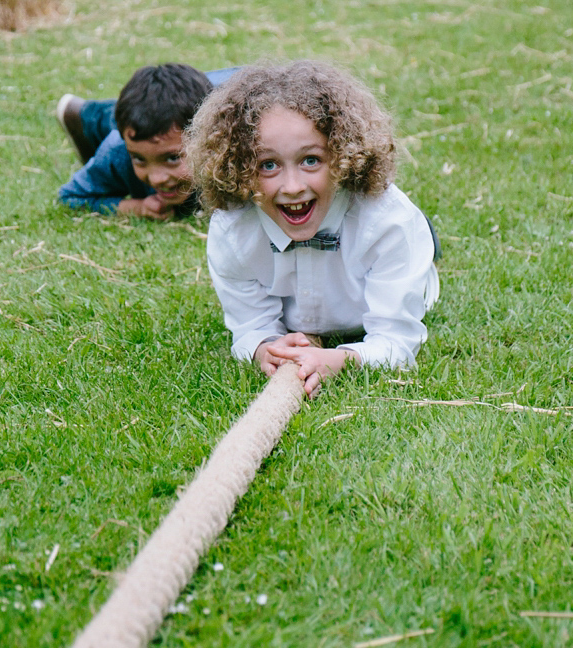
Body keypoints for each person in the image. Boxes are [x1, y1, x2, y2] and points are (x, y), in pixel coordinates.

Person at [185, 60, 441, 398]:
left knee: (416, 232)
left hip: (399, 246)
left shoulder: (388, 224)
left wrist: (343, 359)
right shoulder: (232, 231)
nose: (292, 186)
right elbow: (250, 328)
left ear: (343, 155)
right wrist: (266, 347)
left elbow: (397, 341)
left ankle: (430, 240)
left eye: (310, 160)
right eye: (268, 165)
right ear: (239, 168)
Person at [55, 64, 239, 220]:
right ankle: (77, 112)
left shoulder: (233, 141)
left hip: (225, 84)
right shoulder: (119, 149)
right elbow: (70, 197)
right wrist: (136, 207)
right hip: (114, 122)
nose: (156, 178)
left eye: (172, 158)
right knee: (106, 118)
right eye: (139, 159)